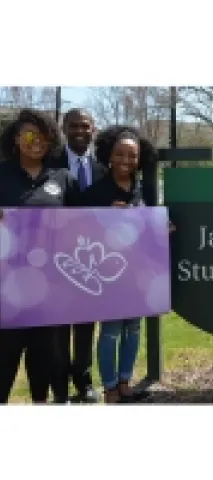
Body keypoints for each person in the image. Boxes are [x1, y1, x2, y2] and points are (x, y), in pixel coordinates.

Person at [0, 108, 80, 404]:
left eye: (44, 136)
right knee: (4, 361)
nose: (37, 141)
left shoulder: (63, 179)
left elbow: (88, 225)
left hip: (49, 289)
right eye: (30, 134)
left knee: (42, 364)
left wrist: (136, 220)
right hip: (6, 289)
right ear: (16, 138)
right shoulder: (2, 175)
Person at [81, 125, 160, 403]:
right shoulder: (95, 193)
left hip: (138, 272)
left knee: (133, 328)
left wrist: (162, 227)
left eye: (132, 155)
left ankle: (126, 383)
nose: (126, 160)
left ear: (140, 158)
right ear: (109, 156)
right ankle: (111, 388)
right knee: (112, 330)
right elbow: (82, 232)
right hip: (109, 272)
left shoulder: (144, 189)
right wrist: (106, 218)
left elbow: (149, 224)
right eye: (120, 154)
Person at [50, 108, 107, 403]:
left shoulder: (103, 170)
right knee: (59, 327)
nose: (80, 131)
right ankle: (59, 388)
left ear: (93, 130)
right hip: (54, 257)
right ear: (64, 128)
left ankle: (83, 383)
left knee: (86, 325)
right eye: (74, 126)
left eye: (85, 126)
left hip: (91, 260)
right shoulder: (50, 164)